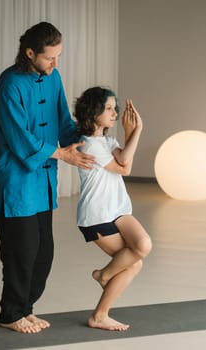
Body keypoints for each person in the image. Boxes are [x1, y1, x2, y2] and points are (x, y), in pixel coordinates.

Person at [0, 22, 94, 334]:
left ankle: (25, 308)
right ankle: (11, 313)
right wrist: (62, 154)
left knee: (42, 254)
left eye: (59, 57)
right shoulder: (9, 86)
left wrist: (88, 134)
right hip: (16, 181)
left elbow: (62, 121)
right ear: (30, 52)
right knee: (20, 253)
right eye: (50, 58)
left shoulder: (53, 77)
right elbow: (20, 140)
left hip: (43, 181)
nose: (55, 63)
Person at [74, 87, 152, 331]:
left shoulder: (108, 141)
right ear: (93, 111)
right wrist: (136, 131)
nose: (115, 112)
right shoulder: (88, 145)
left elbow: (124, 161)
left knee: (141, 249)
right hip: (97, 215)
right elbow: (124, 168)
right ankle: (100, 310)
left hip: (118, 209)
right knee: (136, 260)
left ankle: (103, 281)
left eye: (114, 108)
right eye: (108, 108)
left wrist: (131, 134)